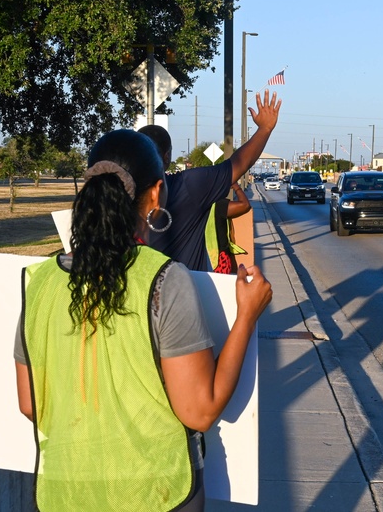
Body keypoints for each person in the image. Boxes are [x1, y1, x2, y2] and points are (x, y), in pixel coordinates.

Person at [14, 129, 272, 511]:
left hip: (66, 494)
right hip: (156, 494)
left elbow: (30, 404)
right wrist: (246, 316)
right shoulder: (163, 280)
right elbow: (200, 411)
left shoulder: (40, 283)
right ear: (155, 194)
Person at [139, 89, 281, 271]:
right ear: (167, 156)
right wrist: (265, 128)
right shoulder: (189, 185)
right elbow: (240, 163)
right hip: (187, 294)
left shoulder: (118, 193)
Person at [206, 182, 251, 274]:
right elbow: (245, 205)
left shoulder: (195, 204)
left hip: (200, 256)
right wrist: (236, 187)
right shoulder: (219, 205)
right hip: (219, 259)